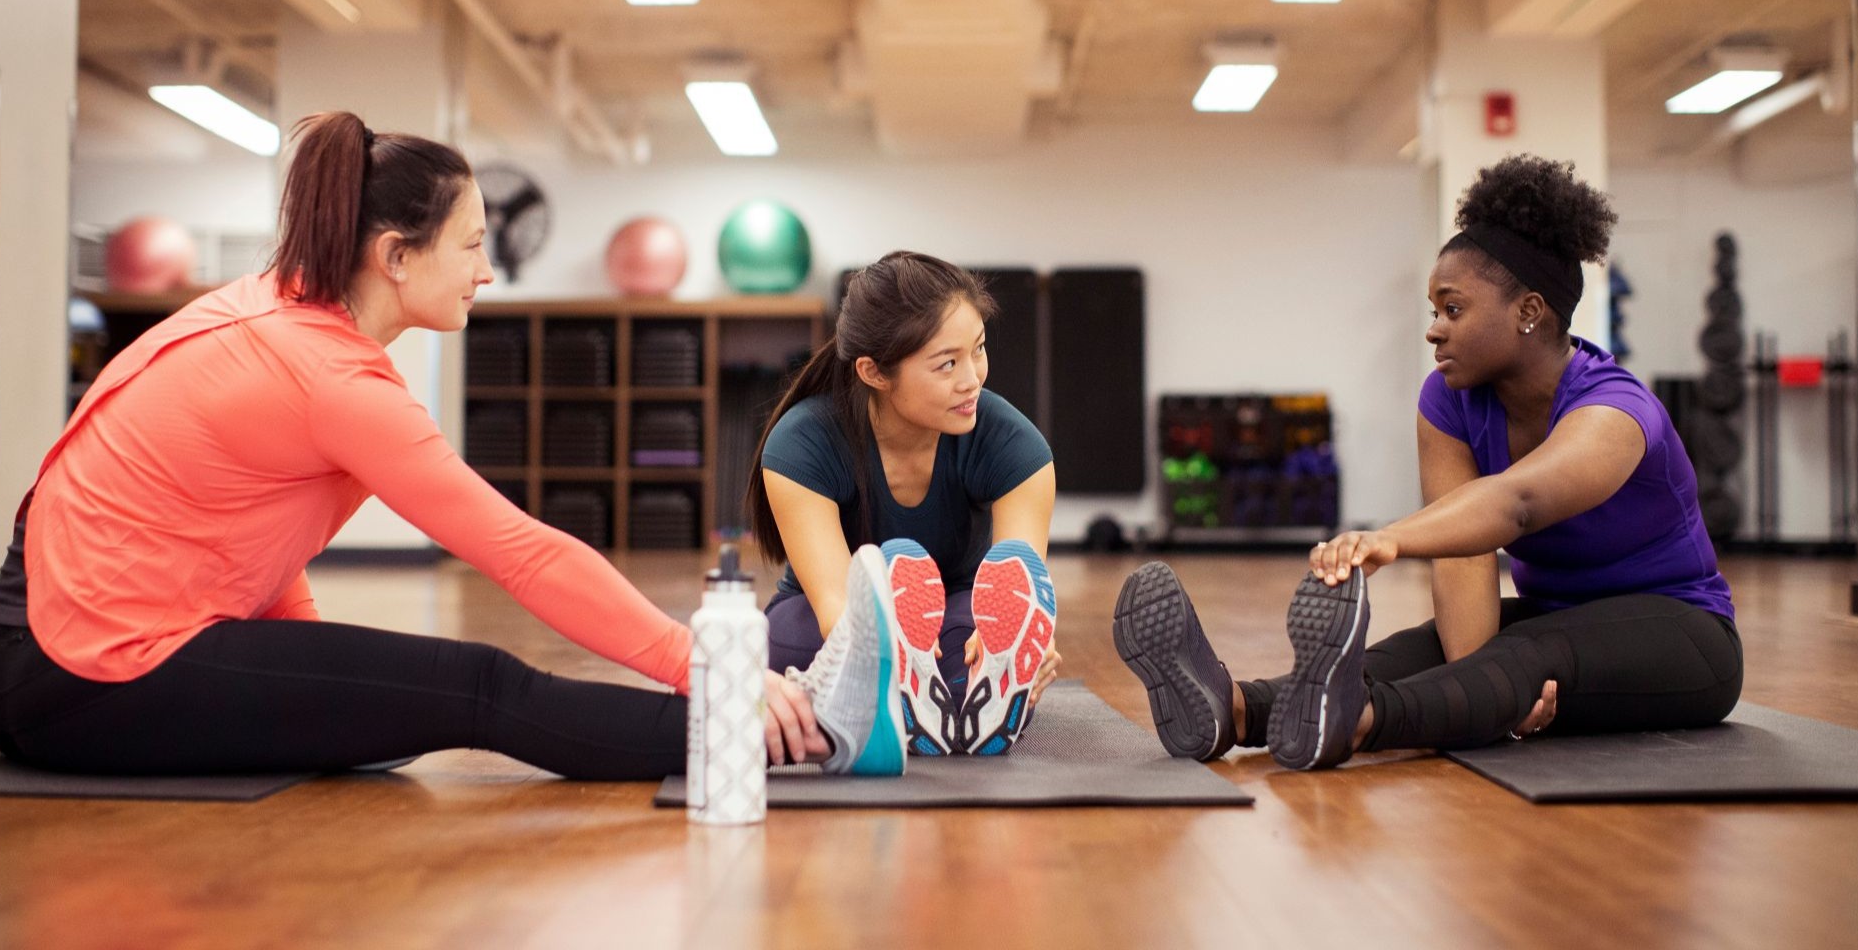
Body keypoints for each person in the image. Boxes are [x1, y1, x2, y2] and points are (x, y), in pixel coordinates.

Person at [0, 111, 904, 781]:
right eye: (469, 246)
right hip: (79, 671)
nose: (486, 272)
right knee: (476, 685)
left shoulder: (268, 308)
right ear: (394, 255)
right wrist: (714, 667)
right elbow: (524, 554)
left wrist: (321, 689)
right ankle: (788, 728)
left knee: (397, 712)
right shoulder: (330, 376)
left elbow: (250, 531)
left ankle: (761, 711)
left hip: (48, 649)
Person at [1114, 154, 1742, 770]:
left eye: (1454, 309)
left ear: (1528, 312)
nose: (1435, 330)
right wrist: (1484, 696)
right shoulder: (1449, 401)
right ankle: (1237, 709)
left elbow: (1514, 505)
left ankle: (1358, 723)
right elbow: (1465, 552)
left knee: (1527, 651)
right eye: (1434, 311)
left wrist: (1387, 541)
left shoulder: (1617, 411)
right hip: (1569, 618)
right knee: (1422, 647)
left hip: (1685, 635)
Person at [746, 252, 1060, 756]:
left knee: (966, 653)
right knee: (776, 647)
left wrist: (1023, 648)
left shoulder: (1015, 446)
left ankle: (922, 702)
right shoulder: (801, 443)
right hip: (833, 624)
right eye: (947, 364)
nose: (972, 378)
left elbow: (1017, 586)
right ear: (873, 372)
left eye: (977, 350)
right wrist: (892, 650)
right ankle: (933, 700)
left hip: (953, 614)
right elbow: (833, 605)